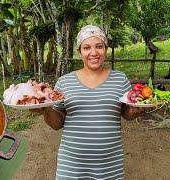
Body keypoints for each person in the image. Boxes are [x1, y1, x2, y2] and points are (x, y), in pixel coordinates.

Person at [32, 25, 147, 179]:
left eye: (99, 46)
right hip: (71, 165)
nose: (93, 53)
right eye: (87, 48)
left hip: (109, 164)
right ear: (80, 51)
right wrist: (45, 110)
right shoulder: (65, 82)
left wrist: (136, 110)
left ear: (105, 48)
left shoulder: (120, 79)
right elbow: (57, 124)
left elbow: (126, 113)